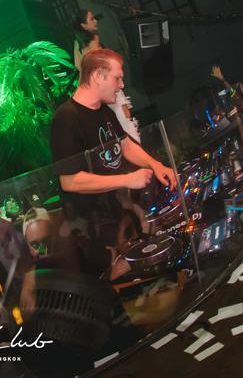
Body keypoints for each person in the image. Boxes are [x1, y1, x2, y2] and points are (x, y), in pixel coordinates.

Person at [50, 48, 175, 272]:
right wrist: (127, 180)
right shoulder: (66, 118)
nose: (121, 85)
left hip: (116, 219)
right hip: (92, 231)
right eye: (117, 78)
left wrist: (156, 165)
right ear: (98, 76)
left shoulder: (104, 110)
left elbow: (125, 145)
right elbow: (69, 181)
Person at [71, 10, 140, 142]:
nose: (95, 21)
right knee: (124, 115)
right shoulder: (94, 39)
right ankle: (133, 145)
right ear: (84, 25)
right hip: (107, 83)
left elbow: (79, 67)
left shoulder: (77, 43)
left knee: (113, 120)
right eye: (91, 19)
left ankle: (125, 144)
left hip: (95, 88)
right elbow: (103, 62)